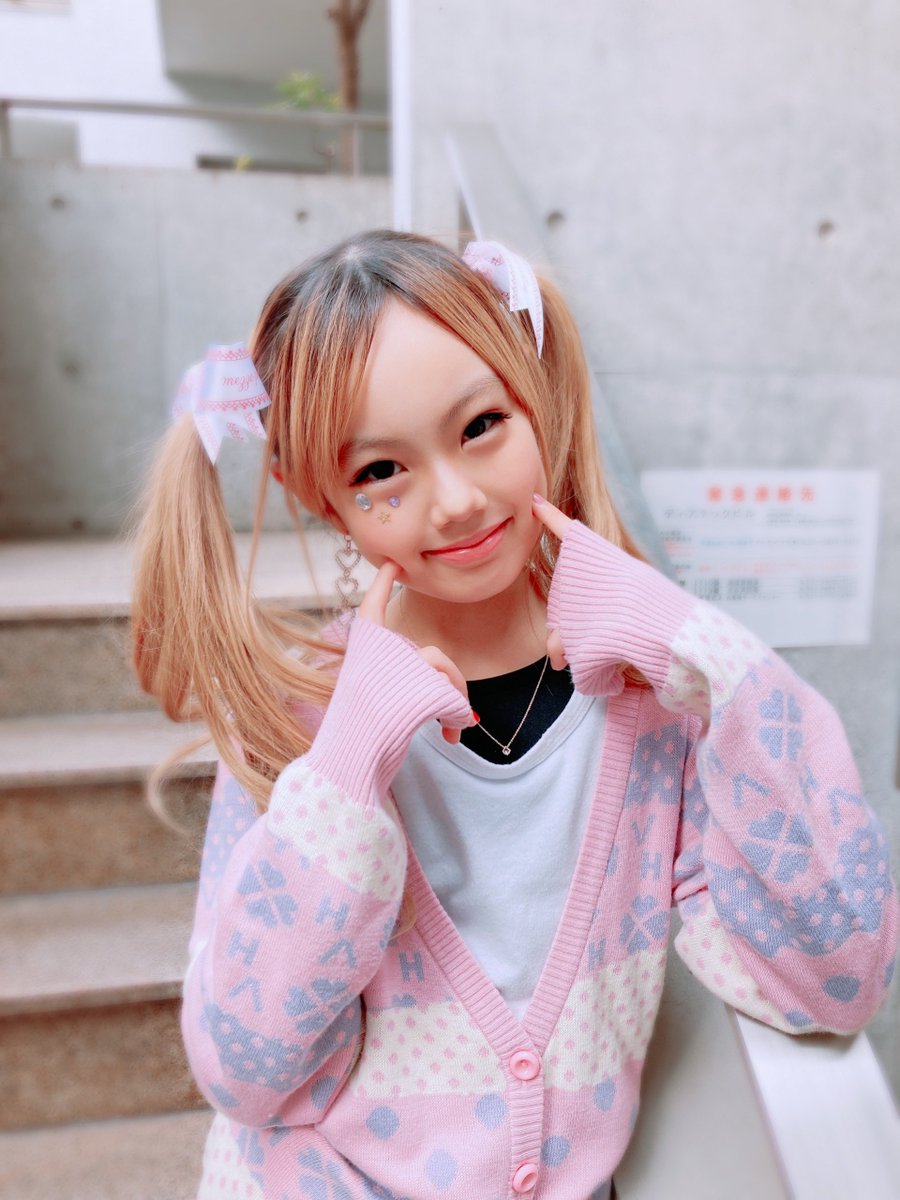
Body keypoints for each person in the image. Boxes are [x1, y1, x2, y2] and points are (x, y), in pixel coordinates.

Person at [132, 230, 898, 1200]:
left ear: (535, 393)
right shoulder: (299, 718)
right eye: (379, 471)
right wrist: (346, 775)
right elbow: (245, 1072)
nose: (454, 501)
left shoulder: (656, 698)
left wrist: (715, 660)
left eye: (482, 425)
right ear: (315, 493)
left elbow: (837, 976)